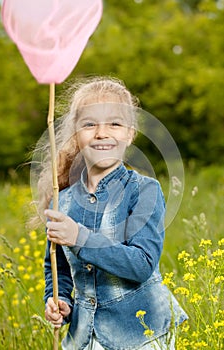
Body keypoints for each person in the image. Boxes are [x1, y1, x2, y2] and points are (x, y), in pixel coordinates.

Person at [38, 76, 188, 350]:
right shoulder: (61, 199)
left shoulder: (144, 191)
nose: (101, 133)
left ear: (130, 133)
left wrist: (80, 237)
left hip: (142, 335)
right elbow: (56, 265)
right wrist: (59, 299)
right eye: (89, 124)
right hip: (85, 336)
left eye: (114, 124)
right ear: (76, 133)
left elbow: (141, 264)